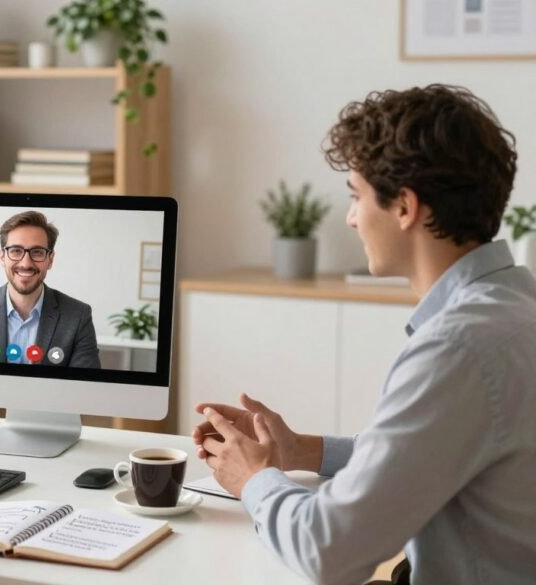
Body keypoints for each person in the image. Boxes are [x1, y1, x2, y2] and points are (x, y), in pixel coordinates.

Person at [193, 84, 536, 585]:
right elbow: (423, 457)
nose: (351, 218)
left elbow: (327, 551)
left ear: (405, 207)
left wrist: (253, 479)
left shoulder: (458, 348)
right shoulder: (514, 305)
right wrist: (297, 449)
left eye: (356, 197)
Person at [0, 210, 100, 368]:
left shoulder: (78, 316)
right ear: (2, 257)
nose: (26, 263)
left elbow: (85, 382)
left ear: (50, 259)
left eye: (37, 252)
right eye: (16, 251)